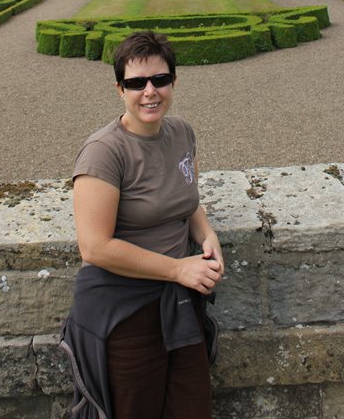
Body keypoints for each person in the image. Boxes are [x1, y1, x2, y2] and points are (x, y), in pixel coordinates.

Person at [61, 31, 224, 419]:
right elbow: (95, 248)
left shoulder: (182, 132)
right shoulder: (104, 152)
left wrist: (206, 233)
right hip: (124, 306)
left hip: (177, 301)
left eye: (160, 79)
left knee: (192, 408)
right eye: (136, 83)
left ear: (173, 81)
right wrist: (179, 268)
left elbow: (188, 200)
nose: (149, 92)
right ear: (120, 89)